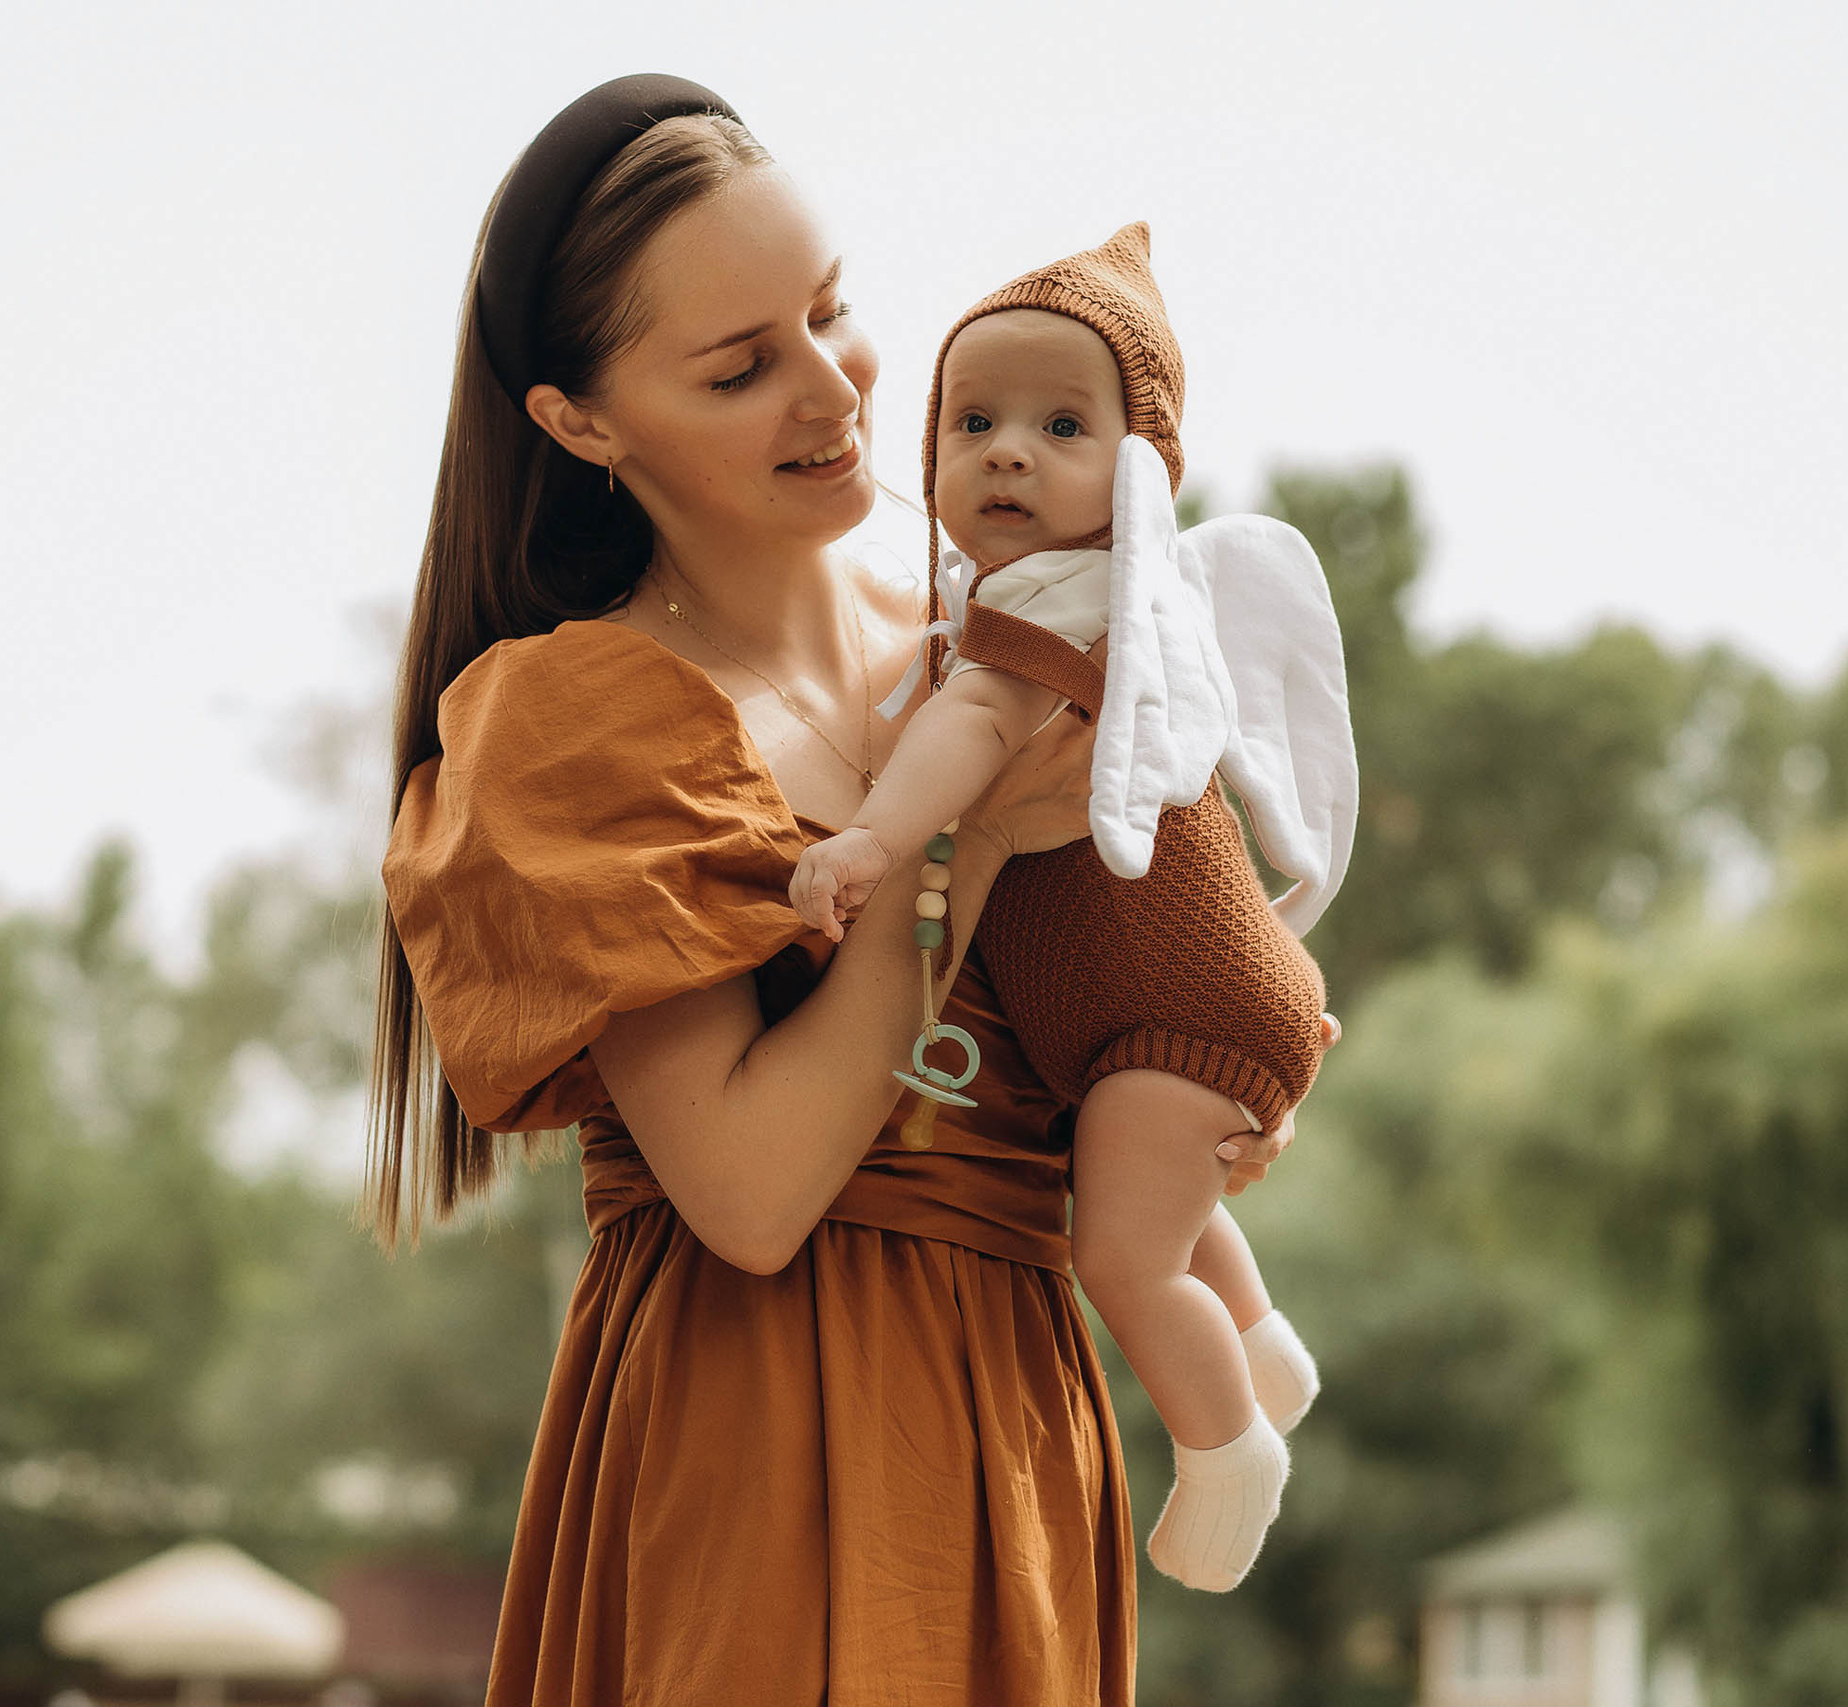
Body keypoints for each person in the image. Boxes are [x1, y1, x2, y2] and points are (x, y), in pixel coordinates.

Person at [370, 76, 1326, 1704]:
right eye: (742, 366)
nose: (834, 391)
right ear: (581, 424)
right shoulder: (572, 717)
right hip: (756, 1436)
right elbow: (747, 1196)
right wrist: (956, 854)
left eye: (831, 312)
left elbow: (1146, 1004)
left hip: (1019, 1419)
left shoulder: (994, 643)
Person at [788, 225, 1346, 1592]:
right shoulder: (1095, 603)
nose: (1007, 454)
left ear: (1142, 474)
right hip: (1181, 1005)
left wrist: (872, 834)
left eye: (1059, 425)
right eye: (972, 420)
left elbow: (970, 736)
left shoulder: (1061, 608)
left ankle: (1228, 1453)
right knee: (1137, 1178)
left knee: (1121, 1254)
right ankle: (1265, 1345)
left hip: (1170, 1008)